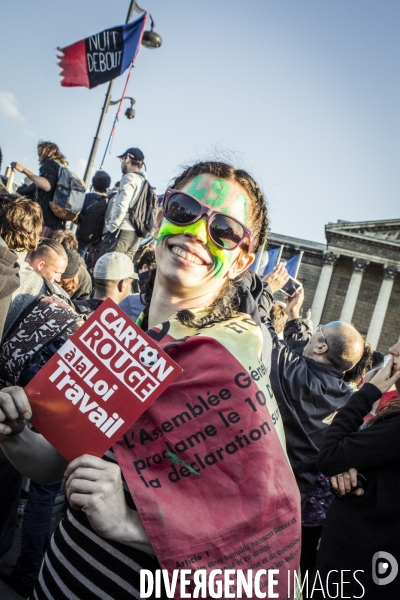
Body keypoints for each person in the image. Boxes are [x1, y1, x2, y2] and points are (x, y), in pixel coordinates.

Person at [0, 161, 301, 599]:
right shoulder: (120, 332)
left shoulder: (232, 361)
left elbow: (258, 554)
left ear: (242, 260)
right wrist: (13, 434)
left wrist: (133, 526)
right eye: (184, 210)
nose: (198, 233)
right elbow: (56, 461)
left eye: (224, 231)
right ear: (160, 217)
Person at [262, 282, 366, 577]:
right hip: (289, 505)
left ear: (321, 346)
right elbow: (308, 356)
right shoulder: (349, 404)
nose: (312, 333)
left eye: (317, 331)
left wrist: (265, 288)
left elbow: (257, 323)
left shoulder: (288, 368)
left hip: (248, 484)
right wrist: (296, 319)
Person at [313, 350, 400, 599]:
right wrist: (353, 472)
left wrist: (368, 392)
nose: (392, 351)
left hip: (360, 564)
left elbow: (329, 454)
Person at [11, 141, 68, 237]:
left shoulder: (50, 164)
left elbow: (46, 185)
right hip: (57, 224)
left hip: (45, 221)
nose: (39, 158)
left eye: (40, 154)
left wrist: (24, 170)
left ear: (48, 152)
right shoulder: (62, 168)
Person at [100, 148, 146, 259]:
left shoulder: (129, 178)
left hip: (121, 232)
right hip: (135, 237)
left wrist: (111, 227)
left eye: (122, 160)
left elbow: (121, 205)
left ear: (128, 159)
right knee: (123, 273)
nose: (121, 163)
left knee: (104, 270)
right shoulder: (145, 182)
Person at [76, 170, 111, 259]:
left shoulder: (87, 196)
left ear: (93, 183)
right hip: (98, 238)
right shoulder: (107, 201)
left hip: (82, 234)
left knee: (79, 254)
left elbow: (77, 213)